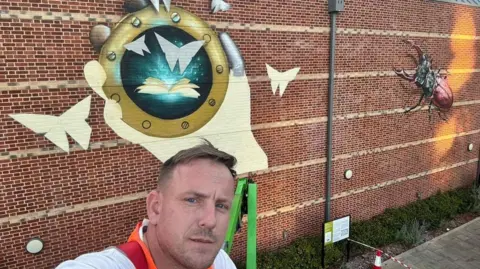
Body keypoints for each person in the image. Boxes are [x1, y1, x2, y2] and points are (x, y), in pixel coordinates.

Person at [56, 139, 238, 269]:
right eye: (192, 200)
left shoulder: (220, 261)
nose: (210, 220)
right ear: (155, 207)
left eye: (221, 206)